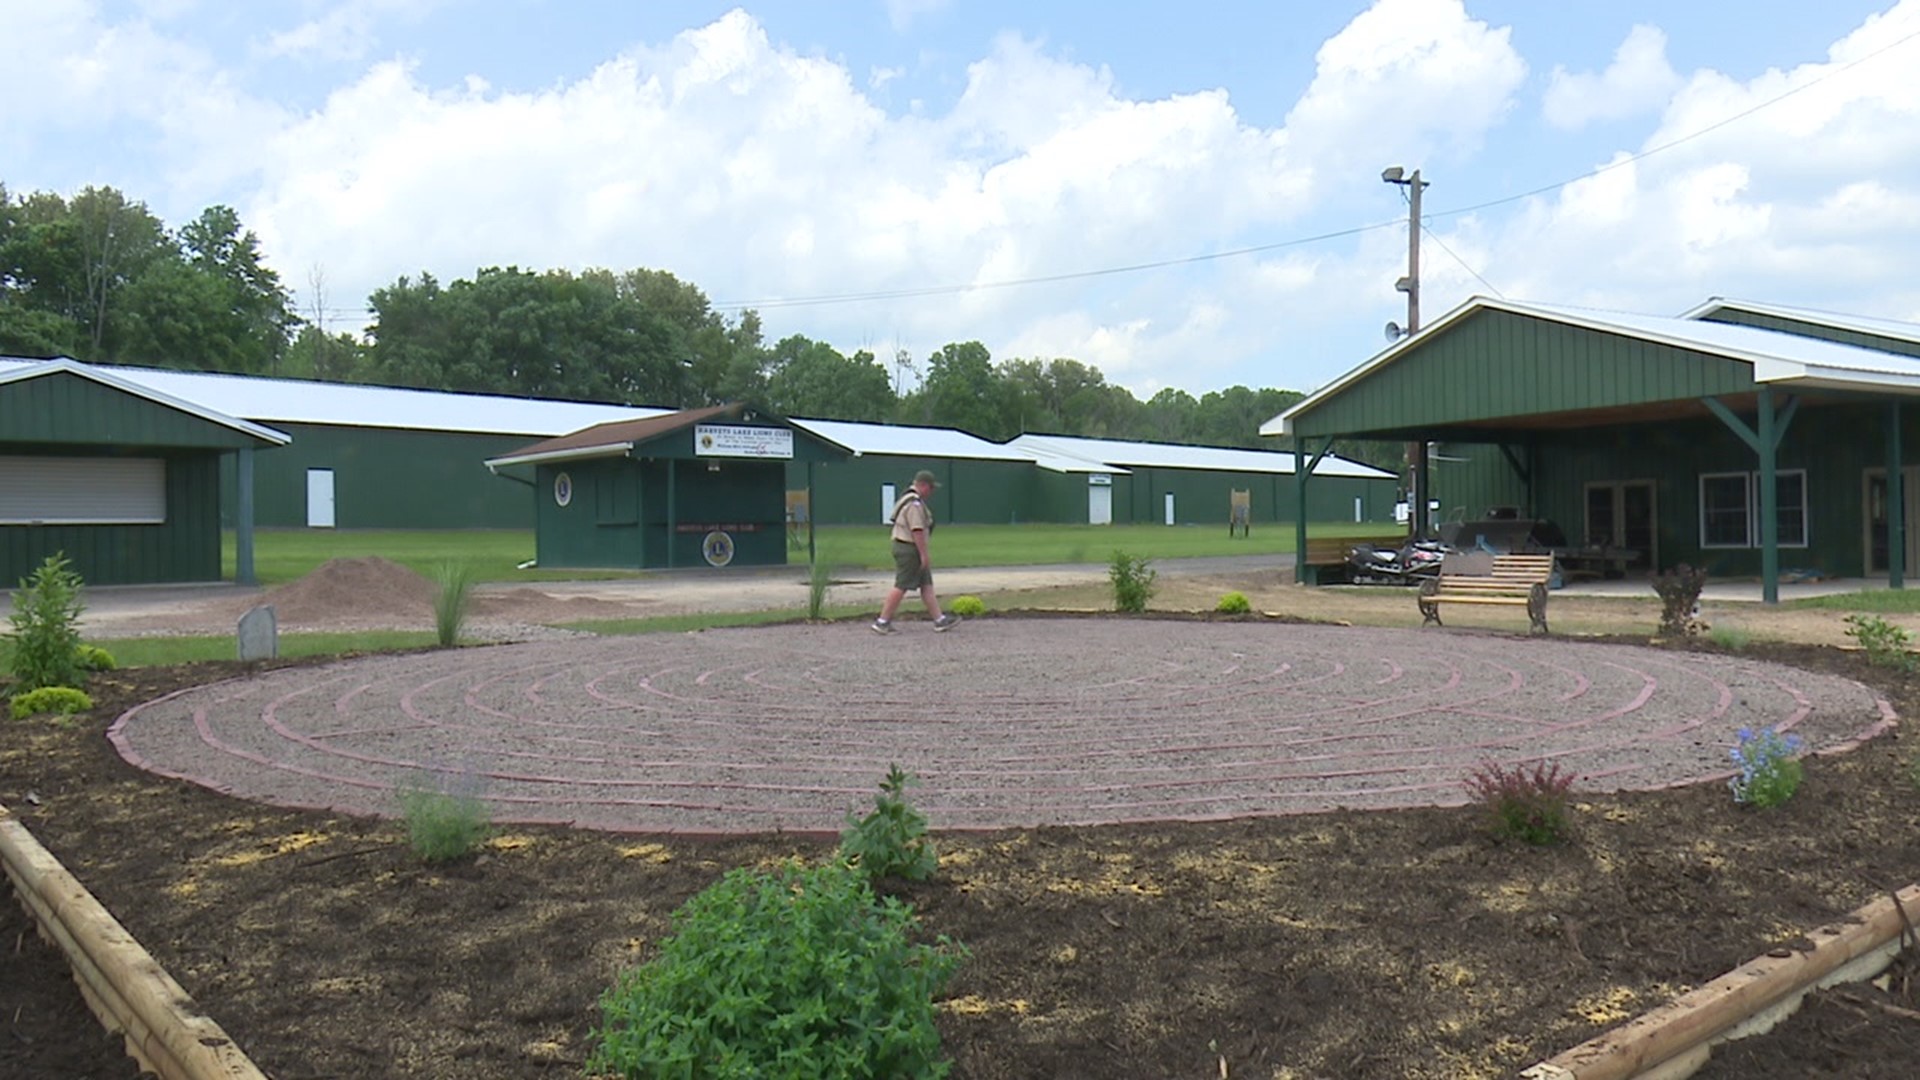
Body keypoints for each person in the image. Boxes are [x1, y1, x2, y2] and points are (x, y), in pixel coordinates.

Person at [872, 469, 959, 634]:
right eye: (931, 488)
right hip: (909, 548)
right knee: (902, 585)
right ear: (924, 486)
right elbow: (917, 530)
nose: (932, 492)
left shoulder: (909, 499)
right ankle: (882, 621)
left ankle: (939, 620)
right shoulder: (914, 504)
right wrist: (924, 554)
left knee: (926, 584)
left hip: (907, 546)